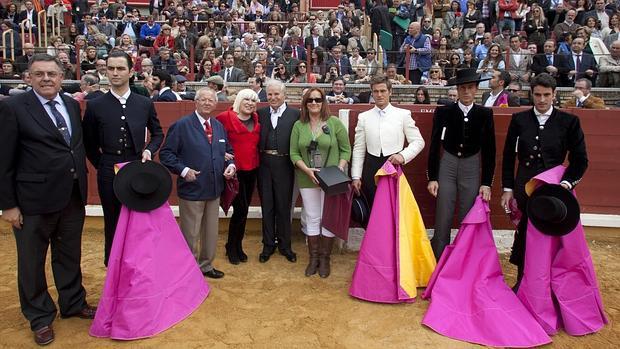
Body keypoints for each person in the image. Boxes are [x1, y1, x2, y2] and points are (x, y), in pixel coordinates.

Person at [0, 53, 96, 346]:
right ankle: (40, 316)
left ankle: (72, 302)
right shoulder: (13, 107)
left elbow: (72, 148)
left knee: (69, 254)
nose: (46, 79)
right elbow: (3, 159)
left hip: (71, 195)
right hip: (31, 200)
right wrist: (8, 205)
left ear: (60, 77)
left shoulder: (69, 103)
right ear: (28, 78)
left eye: (51, 74)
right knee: (31, 262)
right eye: (39, 74)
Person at [500, 73, 588, 289]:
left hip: (552, 189)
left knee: (550, 236)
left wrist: (566, 185)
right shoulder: (519, 120)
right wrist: (508, 188)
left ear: (554, 94)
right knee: (525, 232)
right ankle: (523, 281)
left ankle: (548, 284)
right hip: (524, 186)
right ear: (531, 94)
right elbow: (509, 156)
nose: (541, 99)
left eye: (546, 95)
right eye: (537, 94)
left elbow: (580, 160)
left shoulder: (569, 121)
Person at [82, 50, 164, 266]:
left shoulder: (143, 103)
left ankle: (139, 264)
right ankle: (113, 266)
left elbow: (157, 133)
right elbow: (88, 143)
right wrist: (103, 165)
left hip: (137, 166)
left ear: (130, 72)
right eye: (111, 68)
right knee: (112, 220)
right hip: (109, 168)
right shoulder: (96, 105)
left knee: (139, 220)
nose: (115, 73)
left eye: (120, 68)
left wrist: (149, 151)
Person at [159, 88, 236, 279]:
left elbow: (227, 151)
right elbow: (166, 154)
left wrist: (231, 165)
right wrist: (184, 171)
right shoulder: (182, 125)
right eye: (203, 100)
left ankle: (206, 265)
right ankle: (188, 270)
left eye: (211, 100)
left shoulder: (218, 126)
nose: (207, 103)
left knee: (210, 233)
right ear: (196, 102)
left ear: (216, 104)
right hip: (192, 189)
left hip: (214, 187)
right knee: (190, 233)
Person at [427, 68, 496, 260]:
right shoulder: (444, 112)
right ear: (457, 90)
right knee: (443, 215)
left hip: (472, 166)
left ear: (476, 90)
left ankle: (463, 263)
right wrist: (432, 177)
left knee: (468, 215)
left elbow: (490, 151)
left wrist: (486, 182)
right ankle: (438, 261)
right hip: (447, 164)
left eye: (470, 88)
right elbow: (434, 145)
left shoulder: (484, 114)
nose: (466, 92)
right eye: (463, 88)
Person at [290, 88, 351, 278]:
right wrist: (306, 170)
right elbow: (293, 153)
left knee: (328, 217)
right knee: (313, 216)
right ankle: (313, 258)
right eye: (310, 100)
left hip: (330, 179)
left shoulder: (334, 124)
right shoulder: (299, 125)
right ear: (305, 103)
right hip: (307, 178)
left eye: (318, 99)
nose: (314, 103)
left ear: (323, 101)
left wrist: (339, 169)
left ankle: (325, 258)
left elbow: (345, 150)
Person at [351, 75, 425, 213]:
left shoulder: (402, 114)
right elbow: (359, 149)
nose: (379, 95)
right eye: (376, 91)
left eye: (383, 91)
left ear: (390, 92)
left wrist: (402, 156)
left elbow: (418, 141)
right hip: (371, 168)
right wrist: (356, 176)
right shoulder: (364, 117)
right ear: (372, 93)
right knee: (373, 209)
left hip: (394, 165)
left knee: (395, 210)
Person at [215, 89, 261, 265]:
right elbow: (213, 138)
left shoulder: (256, 119)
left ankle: (237, 245)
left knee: (244, 210)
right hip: (234, 171)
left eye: (253, 100)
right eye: (246, 99)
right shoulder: (225, 117)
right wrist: (223, 156)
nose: (250, 103)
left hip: (252, 170)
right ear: (239, 100)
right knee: (240, 210)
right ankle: (231, 246)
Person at [257, 80, 300, 263]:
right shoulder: (260, 114)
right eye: (270, 94)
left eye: (276, 94)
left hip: (285, 163)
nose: (273, 98)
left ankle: (285, 245)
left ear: (284, 95)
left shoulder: (295, 114)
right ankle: (268, 244)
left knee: (283, 205)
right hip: (264, 163)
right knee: (267, 205)